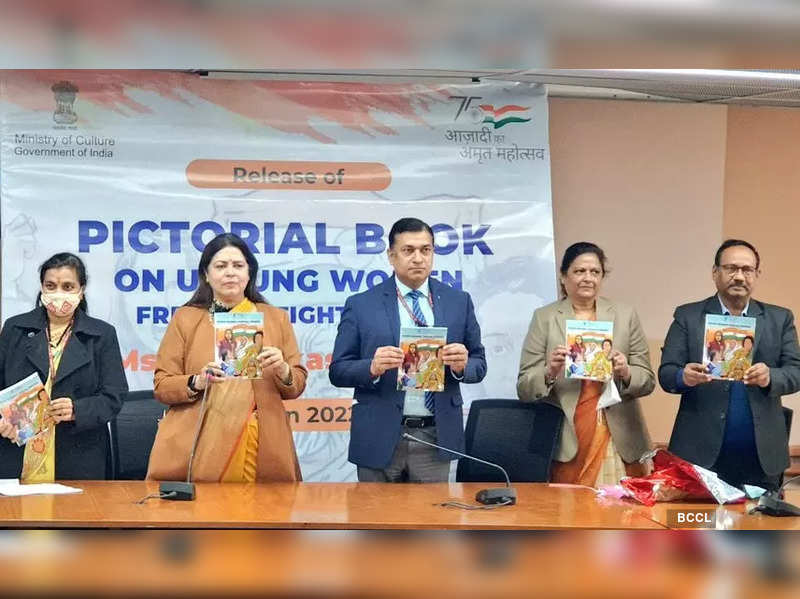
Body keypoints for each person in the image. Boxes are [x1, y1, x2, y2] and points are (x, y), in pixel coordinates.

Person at [330, 217, 486, 482]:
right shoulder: (361, 305)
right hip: (378, 434)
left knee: (431, 522)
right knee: (375, 520)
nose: (418, 258)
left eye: (426, 250)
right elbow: (338, 371)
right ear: (391, 256)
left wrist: (462, 366)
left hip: (435, 437)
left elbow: (479, 364)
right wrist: (371, 367)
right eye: (408, 250)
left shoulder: (458, 302)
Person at [147, 233, 307, 483]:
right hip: (201, 441)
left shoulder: (276, 318)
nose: (230, 273)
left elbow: (296, 384)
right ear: (206, 275)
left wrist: (283, 370)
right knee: (205, 518)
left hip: (260, 442)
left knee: (262, 515)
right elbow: (162, 386)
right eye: (221, 266)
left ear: (249, 273)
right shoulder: (186, 319)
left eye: (238, 265)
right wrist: (197, 381)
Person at [659, 239, 800, 490]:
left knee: (760, 529)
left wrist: (770, 377)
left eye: (747, 270)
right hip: (700, 452)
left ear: (757, 274)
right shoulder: (688, 316)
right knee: (695, 527)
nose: (739, 276)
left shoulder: (780, 318)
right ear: (715, 272)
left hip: (761, 457)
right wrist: (684, 376)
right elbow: (667, 373)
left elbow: (795, 372)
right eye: (731, 268)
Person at [517, 242, 654, 486]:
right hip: (566, 436)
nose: (588, 278)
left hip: (620, 433)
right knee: (572, 516)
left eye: (595, 272)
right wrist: (550, 371)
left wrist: (626, 371)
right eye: (579, 271)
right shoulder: (545, 318)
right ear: (563, 276)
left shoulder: (625, 314)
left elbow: (647, 380)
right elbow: (524, 388)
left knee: (622, 517)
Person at [0, 252, 127, 480]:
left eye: (68, 286)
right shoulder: (15, 328)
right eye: (51, 285)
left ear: (82, 289)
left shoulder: (102, 334)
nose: (58, 294)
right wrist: (2, 420)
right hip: (16, 451)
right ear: (41, 288)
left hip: (78, 455)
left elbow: (114, 396)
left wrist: (77, 409)